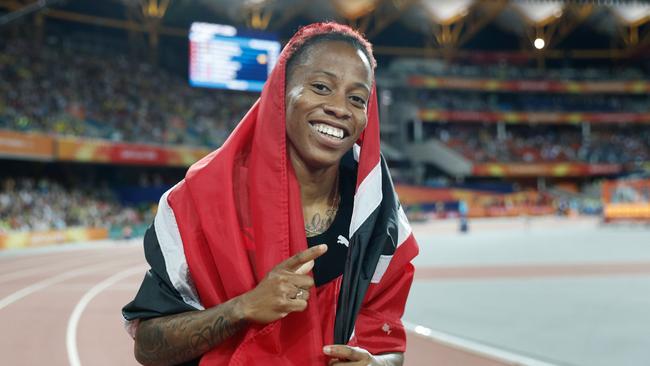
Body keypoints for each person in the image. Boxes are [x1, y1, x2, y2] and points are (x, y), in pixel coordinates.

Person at [122, 22, 419, 365]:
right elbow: (148, 346)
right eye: (321, 87)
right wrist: (243, 307)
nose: (340, 108)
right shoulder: (199, 200)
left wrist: (375, 364)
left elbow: (389, 349)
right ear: (281, 91)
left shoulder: (378, 211)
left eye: (357, 98)